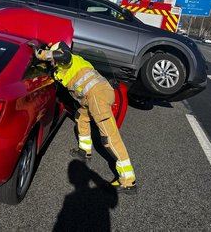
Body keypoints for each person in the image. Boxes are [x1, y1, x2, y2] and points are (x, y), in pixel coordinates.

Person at [35, 41, 137, 193]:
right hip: (92, 97)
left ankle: (128, 180)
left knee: (109, 137)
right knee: (81, 117)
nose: (51, 60)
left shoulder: (68, 59)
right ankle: (84, 151)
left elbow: (63, 56)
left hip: (96, 96)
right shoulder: (61, 68)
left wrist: (41, 54)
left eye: (52, 57)